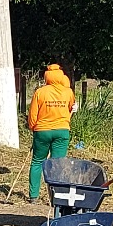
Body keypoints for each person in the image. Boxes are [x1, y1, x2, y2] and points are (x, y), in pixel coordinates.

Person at [27, 64, 77, 202]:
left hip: (42, 131)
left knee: (37, 161)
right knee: (57, 164)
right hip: (62, 131)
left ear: (46, 77)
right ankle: (56, 197)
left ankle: (33, 196)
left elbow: (32, 115)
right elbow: (70, 109)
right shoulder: (68, 92)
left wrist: (33, 129)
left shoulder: (40, 92)